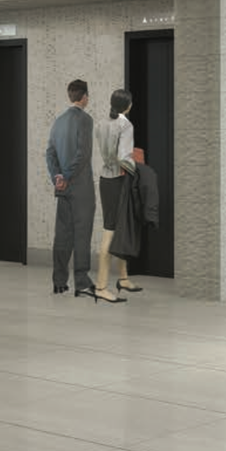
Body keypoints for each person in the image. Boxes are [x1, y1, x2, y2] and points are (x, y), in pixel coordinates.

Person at [46, 79, 102, 300]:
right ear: (85, 96)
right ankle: (81, 282)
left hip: (62, 187)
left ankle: (59, 282)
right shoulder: (85, 120)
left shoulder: (58, 121)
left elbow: (49, 152)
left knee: (62, 234)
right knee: (82, 234)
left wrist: (57, 177)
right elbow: (83, 154)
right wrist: (68, 176)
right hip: (80, 188)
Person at [93, 88, 138, 300]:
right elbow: (123, 158)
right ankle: (101, 287)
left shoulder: (101, 123)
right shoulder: (125, 125)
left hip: (105, 179)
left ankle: (123, 278)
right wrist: (138, 168)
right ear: (127, 106)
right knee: (111, 230)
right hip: (119, 181)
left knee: (118, 228)